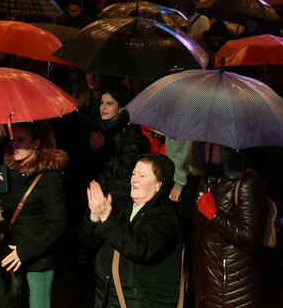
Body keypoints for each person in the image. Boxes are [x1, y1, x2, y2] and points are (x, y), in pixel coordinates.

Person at [81, 154, 183, 308]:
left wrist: (107, 219)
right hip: (107, 297)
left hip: (141, 302)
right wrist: (94, 219)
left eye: (142, 175)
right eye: (134, 173)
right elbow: (87, 244)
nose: (134, 179)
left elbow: (141, 248)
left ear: (159, 185)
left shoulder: (166, 216)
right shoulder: (122, 205)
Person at [0, 122, 68, 308]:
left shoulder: (49, 177)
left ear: (36, 143)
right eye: (13, 139)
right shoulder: (8, 171)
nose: (14, 145)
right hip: (10, 257)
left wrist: (24, 252)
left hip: (38, 261)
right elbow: (2, 211)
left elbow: (59, 224)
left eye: (21, 140)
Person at [184, 142, 267, 307]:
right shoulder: (207, 180)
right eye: (205, 142)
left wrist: (214, 215)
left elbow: (249, 238)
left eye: (214, 143)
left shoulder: (247, 183)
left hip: (233, 291)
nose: (207, 147)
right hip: (207, 287)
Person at [88, 86, 147, 198]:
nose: (103, 107)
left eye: (109, 104)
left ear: (120, 108)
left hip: (117, 198)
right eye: (102, 103)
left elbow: (126, 172)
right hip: (97, 194)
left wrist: (102, 149)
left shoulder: (130, 133)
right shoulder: (98, 130)